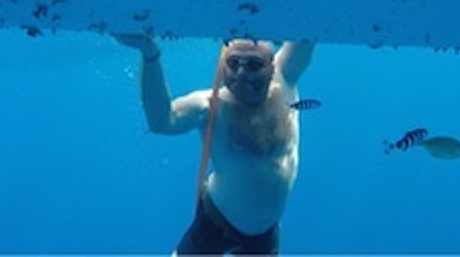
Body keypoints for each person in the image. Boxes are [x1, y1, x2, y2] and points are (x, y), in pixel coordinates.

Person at [115, 34, 315, 255]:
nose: (241, 74)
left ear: (271, 66)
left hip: (266, 234)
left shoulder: (285, 77)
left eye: (254, 65)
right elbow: (162, 121)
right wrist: (150, 54)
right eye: (233, 63)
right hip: (216, 222)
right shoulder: (211, 105)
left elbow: (307, 31)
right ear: (222, 64)